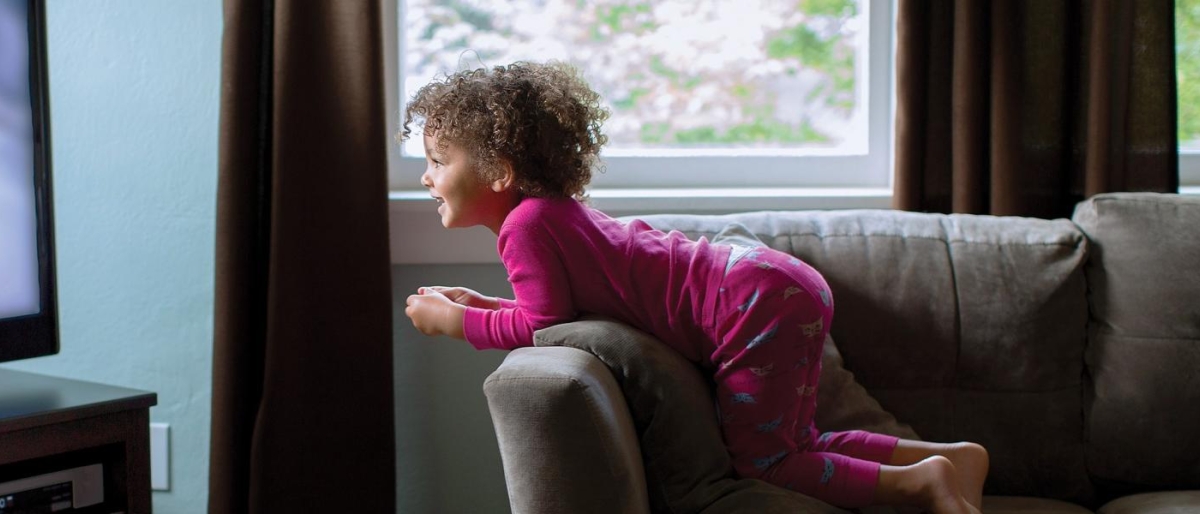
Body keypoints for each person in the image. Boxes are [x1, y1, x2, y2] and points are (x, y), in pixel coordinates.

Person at [402, 61, 988, 513]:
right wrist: (482, 304)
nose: (425, 176)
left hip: (751, 305)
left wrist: (454, 324)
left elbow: (537, 326)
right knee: (800, 439)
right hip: (771, 288)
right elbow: (552, 311)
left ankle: (919, 482)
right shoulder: (551, 213)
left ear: (500, 171)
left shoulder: (525, 227)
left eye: (437, 160)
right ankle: (950, 459)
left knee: (766, 463)